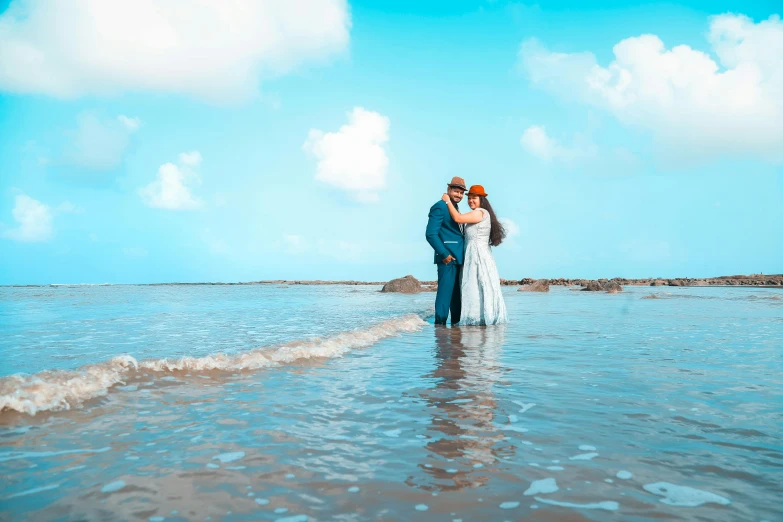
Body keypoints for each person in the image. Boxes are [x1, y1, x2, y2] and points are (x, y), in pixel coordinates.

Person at [441, 185, 507, 325]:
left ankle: (477, 319)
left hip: (478, 256)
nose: (471, 201)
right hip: (475, 254)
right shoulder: (480, 213)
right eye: (469, 198)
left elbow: (458, 218)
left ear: (481, 200)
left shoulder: (480, 212)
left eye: (474, 198)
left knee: (476, 286)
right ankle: (478, 318)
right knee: (477, 287)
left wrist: (447, 201)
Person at [426, 177, 467, 325]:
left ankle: (455, 325)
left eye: (461, 193)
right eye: (456, 191)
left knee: (456, 294)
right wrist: (444, 254)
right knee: (445, 293)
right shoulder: (439, 206)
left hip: (459, 258)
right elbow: (431, 234)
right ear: (449, 190)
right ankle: (440, 325)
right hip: (447, 258)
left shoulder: (453, 207)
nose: (459, 195)